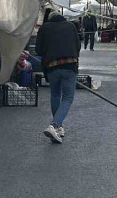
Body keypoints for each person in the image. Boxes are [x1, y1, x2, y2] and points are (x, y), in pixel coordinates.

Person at [36, 11, 81, 143]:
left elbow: (38, 50)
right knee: (67, 98)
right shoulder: (71, 26)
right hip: (69, 66)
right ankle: (55, 125)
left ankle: (58, 127)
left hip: (52, 67)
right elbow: (78, 46)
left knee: (55, 95)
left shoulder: (44, 28)